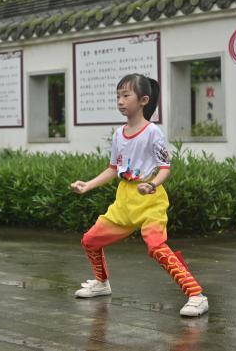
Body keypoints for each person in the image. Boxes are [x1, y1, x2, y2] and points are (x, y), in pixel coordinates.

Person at [70, 73, 209, 317]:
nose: (120, 101)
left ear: (143, 100)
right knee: (90, 241)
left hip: (150, 199)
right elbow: (114, 169)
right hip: (124, 201)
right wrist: (88, 185)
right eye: (118, 96)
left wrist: (152, 184)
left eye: (126, 95)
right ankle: (101, 283)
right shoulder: (118, 134)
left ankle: (196, 295)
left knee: (156, 246)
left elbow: (165, 167)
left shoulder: (153, 132)